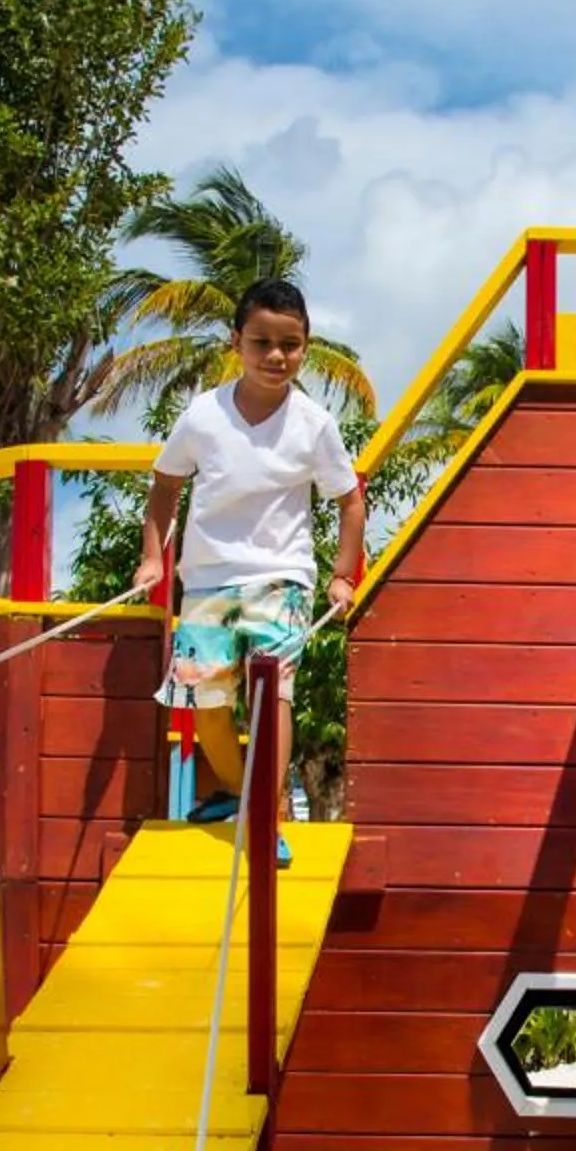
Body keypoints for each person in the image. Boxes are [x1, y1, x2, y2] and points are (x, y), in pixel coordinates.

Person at [132, 277, 369, 863]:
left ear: (305, 346)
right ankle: (241, 791)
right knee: (207, 707)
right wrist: (149, 559)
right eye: (261, 342)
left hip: (282, 577)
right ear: (235, 341)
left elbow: (350, 500)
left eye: (289, 344)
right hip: (208, 577)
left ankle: (265, 815)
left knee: (272, 690)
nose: (275, 356)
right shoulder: (203, 416)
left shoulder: (314, 425)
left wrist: (342, 574)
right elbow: (165, 486)